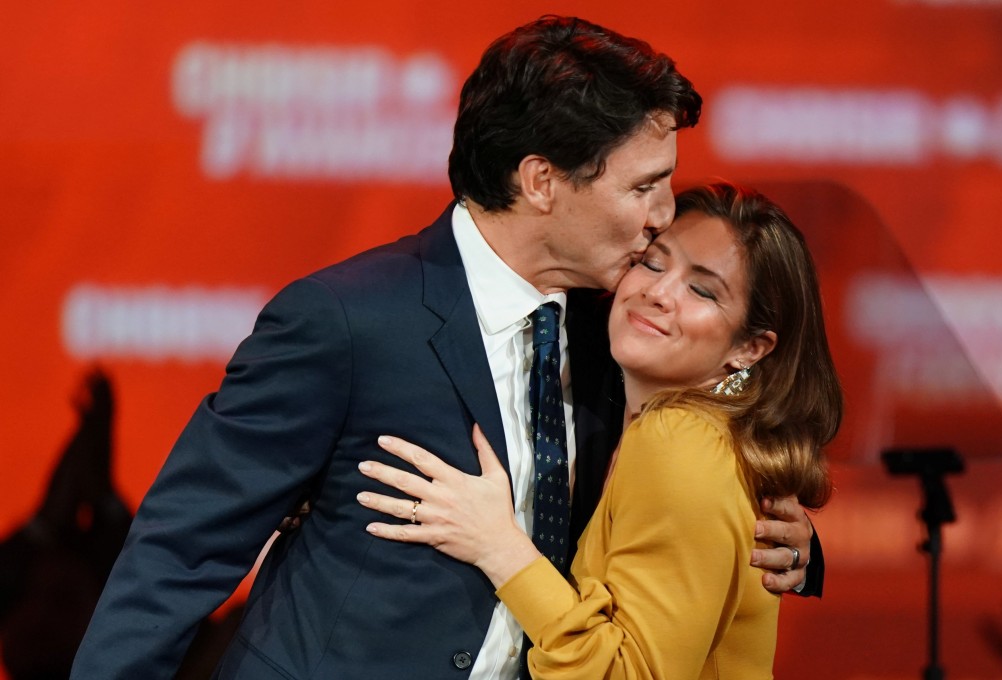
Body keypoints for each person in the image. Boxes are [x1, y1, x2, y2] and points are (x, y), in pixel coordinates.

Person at [71, 17, 819, 679]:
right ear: (542, 182)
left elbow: (694, 483)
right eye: (644, 187)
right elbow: (182, 549)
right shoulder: (347, 320)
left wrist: (791, 550)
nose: (663, 217)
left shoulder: (617, 331)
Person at [357, 182, 842, 678]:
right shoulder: (610, 366)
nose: (657, 292)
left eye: (702, 290)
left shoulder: (678, 441)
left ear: (751, 348)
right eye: (652, 263)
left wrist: (499, 547)